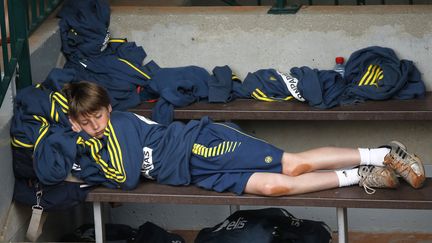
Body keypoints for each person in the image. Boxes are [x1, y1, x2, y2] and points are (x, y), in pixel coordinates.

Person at [63, 80, 426, 196]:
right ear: (74, 121)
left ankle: (381, 154)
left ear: (108, 108)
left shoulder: (121, 125)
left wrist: (88, 143)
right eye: (86, 121)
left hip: (202, 145)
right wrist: (81, 138)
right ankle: (357, 175)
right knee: (274, 188)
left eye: (98, 116)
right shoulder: (93, 142)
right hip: (194, 174)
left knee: (294, 164)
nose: (95, 124)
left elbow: (124, 179)